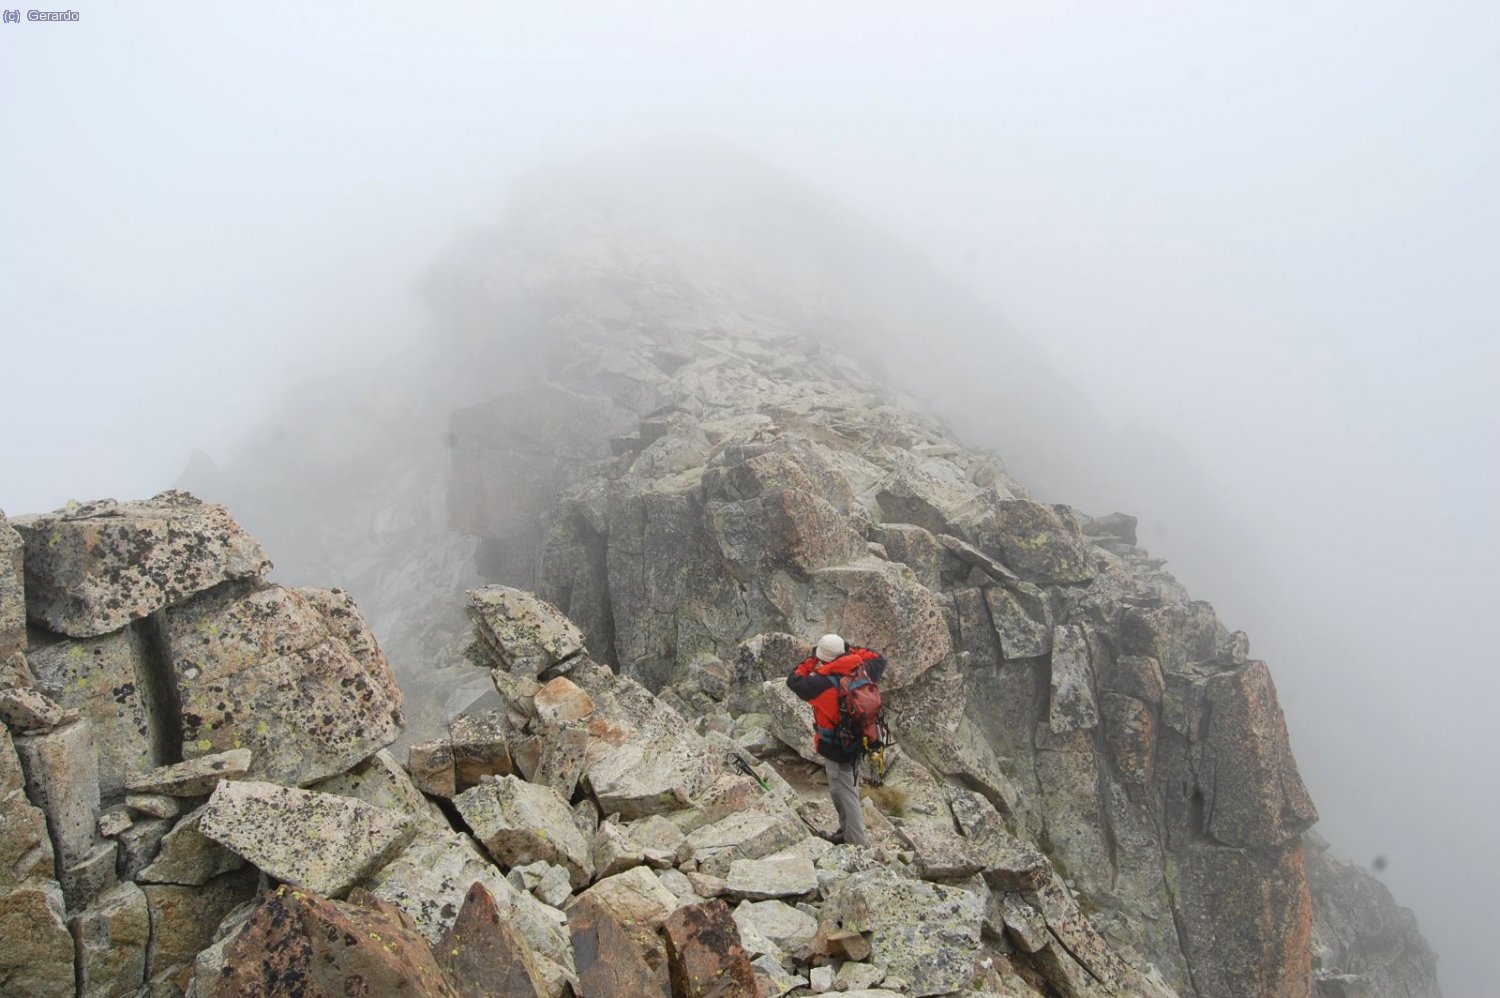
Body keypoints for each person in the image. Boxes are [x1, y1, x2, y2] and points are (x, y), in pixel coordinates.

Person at [787, 633, 886, 846]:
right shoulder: (863, 669)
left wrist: (812, 659)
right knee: (843, 787)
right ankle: (846, 831)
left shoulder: (821, 684)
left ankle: (857, 843)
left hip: (835, 745)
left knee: (846, 792)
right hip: (859, 739)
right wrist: (849, 651)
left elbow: (794, 679)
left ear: (823, 657)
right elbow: (878, 657)